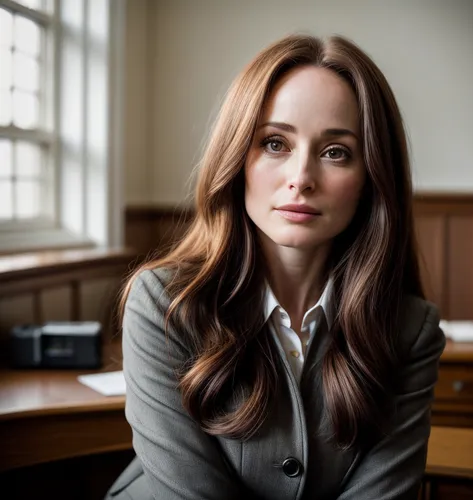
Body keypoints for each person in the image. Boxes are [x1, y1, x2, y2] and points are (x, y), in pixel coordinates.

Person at [107, 33, 446, 500]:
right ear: (236, 158)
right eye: (274, 143)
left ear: (372, 178)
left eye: (336, 152)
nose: (301, 178)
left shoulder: (411, 329)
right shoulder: (161, 304)